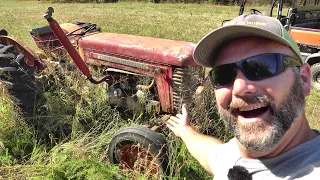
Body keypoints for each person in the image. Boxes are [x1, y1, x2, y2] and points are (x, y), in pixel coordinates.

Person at [166, 14, 320, 179]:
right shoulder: (231, 158)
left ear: (303, 79)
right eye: (222, 74)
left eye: (261, 67)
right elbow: (211, 154)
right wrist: (185, 131)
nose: (238, 88)